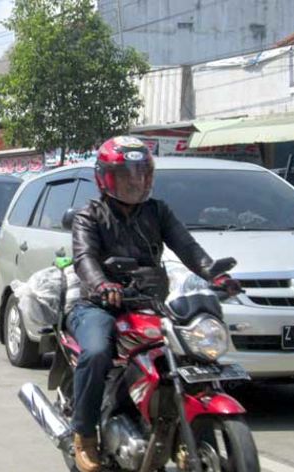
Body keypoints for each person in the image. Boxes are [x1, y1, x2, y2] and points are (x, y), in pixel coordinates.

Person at [68, 136, 241, 472]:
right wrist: (102, 284)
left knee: (186, 351)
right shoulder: (89, 215)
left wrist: (213, 274)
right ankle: (84, 435)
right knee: (97, 352)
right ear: (105, 177)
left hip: (150, 304)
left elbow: (187, 247)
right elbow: (84, 257)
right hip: (98, 306)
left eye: (141, 174)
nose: (135, 182)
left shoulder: (157, 211)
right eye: (126, 175)